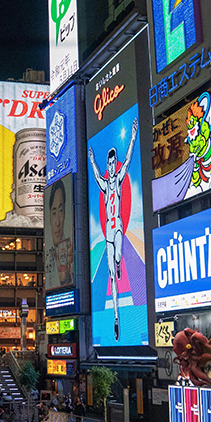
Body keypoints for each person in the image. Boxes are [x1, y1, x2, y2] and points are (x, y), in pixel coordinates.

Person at [88, 117, 139, 341]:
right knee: (111, 277)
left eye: (112, 163)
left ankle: (118, 262)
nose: (111, 166)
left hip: (117, 226)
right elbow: (96, 173)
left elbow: (128, 159)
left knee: (117, 258)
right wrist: (91, 159)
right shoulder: (104, 182)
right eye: (109, 164)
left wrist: (133, 136)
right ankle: (117, 318)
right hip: (108, 231)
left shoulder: (117, 179)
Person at [45, 178, 73, 288]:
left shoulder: (71, 252)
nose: (57, 222)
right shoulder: (48, 253)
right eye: (54, 212)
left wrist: (67, 279)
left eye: (61, 211)